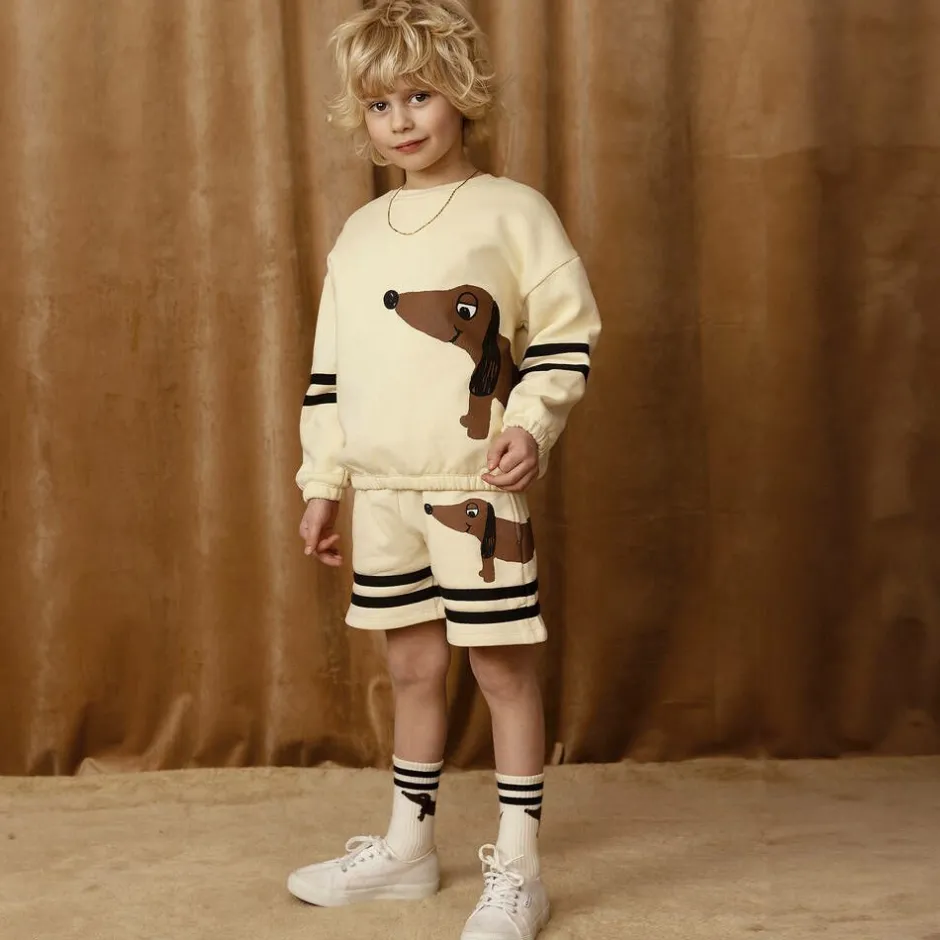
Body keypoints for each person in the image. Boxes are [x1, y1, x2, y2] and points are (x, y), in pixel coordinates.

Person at [286, 1, 600, 937]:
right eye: (380, 105)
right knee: (412, 666)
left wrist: (533, 425)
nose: (401, 121)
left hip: (476, 491)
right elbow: (329, 373)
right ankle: (408, 848)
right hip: (383, 494)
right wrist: (323, 484)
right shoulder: (359, 233)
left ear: (461, 93)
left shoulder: (514, 210)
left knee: (501, 669)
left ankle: (521, 869)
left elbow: (566, 332)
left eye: (419, 95)